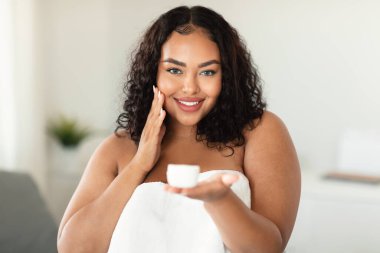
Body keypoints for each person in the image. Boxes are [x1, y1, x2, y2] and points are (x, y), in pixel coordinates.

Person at [57, 5, 300, 253]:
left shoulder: (259, 132)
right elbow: (73, 249)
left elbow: (268, 248)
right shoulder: (118, 147)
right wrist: (139, 165)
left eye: (207, 71)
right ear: (153, 73)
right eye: (174, 70)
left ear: (226, 76)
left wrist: (219, 201)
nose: (189, 87)